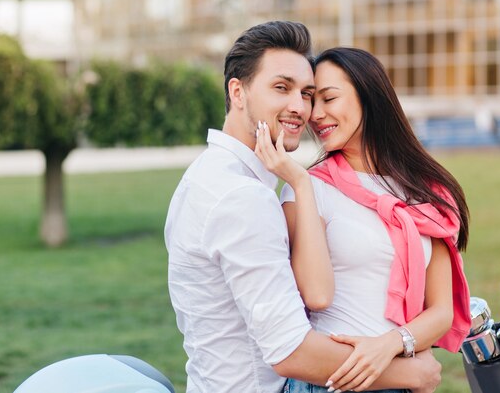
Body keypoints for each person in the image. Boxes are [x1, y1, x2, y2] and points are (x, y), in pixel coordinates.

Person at [164, 21, 443, 393]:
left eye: (307, 93)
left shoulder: (205, 175)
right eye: (281, 88)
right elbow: (291, 350)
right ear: (238, 92)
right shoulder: (242, 197)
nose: (300, 108)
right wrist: (411, 375)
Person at [256, 46, 471, 393]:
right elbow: (314, 294)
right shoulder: (308, 188)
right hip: (331, 382)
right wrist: (299, 182)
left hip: (399, 378)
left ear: (368, 96)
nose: (316, 114)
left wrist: (388, 344)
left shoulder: (427, 191)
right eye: (314, 101)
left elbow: (441, 311)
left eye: (329, 98)